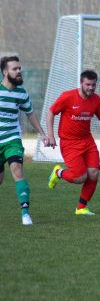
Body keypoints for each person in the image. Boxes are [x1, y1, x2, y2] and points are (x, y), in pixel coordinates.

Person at [47, 70, 100, 215]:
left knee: (94, 173)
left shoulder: (96, 99)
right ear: (81, 83)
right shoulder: (68, 96)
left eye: (93, 85)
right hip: (69, 143)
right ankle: (58, 172)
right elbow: (51, 112)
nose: (91, 88)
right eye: (88, 84)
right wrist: (51, 135)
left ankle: (81, 208)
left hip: (87, 141)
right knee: (80, 177)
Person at [0, 56, 50, 225]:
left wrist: (42, 134)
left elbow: (30, 114)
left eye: (19, 68)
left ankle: (25, 213)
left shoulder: (22, 94)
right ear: (5, 72)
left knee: (17, 170)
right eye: (15, 69)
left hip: (12, 139)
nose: (19, 71)